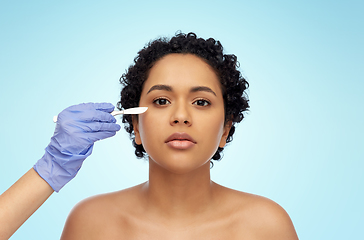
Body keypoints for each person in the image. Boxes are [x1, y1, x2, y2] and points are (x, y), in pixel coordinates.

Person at [0, 32, 298, 239]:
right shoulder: (91, 221)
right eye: (161, 101)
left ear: (226, 130)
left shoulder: (266, 225)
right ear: (136, 127)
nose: (180, 115)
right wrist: (51, 166)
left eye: (201, 102)